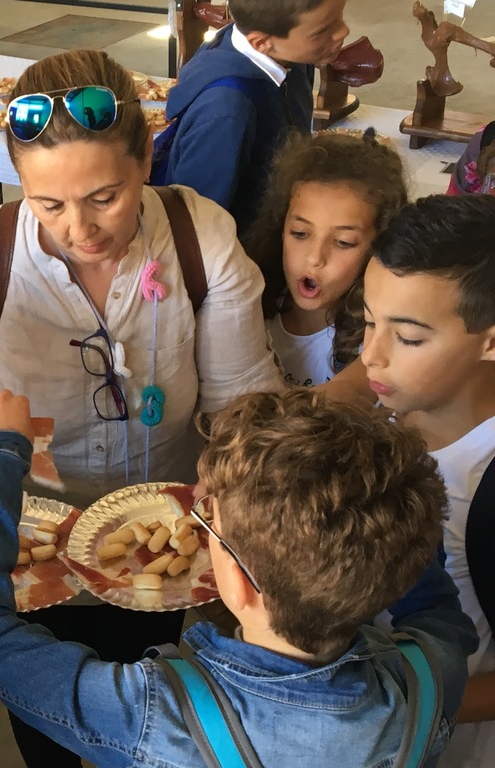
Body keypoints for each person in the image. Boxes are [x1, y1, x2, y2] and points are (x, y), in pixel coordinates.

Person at [0, 49, 282, 768]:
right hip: (27, 566)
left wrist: (235, 490)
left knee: (153, 721)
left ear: (146, 157)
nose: (79, 228)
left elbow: (240, 410)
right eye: (49, 204)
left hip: (160, 564)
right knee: (50, 738)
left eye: (106, 196)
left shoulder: (201, 240)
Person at [0, 389, 477, 767]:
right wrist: (394, 526)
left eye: (209, 522)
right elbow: (437, 612)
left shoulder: (152, 716)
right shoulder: (430, 677)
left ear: (239, 587)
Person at [360, 194, 495, 766]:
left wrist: (386, 704)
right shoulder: (384, 417)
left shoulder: (483, 483)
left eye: (409, 338)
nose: (370, 355)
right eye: (367, 321)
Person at [162, 0, 350, 237]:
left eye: (341, 15)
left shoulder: (290, 57)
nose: (344, 31)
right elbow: (197, 227)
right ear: (261, 43)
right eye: (323, 30)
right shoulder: (225, 112)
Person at [245, 129, 406, 386]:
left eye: (343, 242)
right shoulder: (246, 303)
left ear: (377, 247)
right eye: (300, 233)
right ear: (280, 227)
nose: (315, 258)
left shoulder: (378, 339)